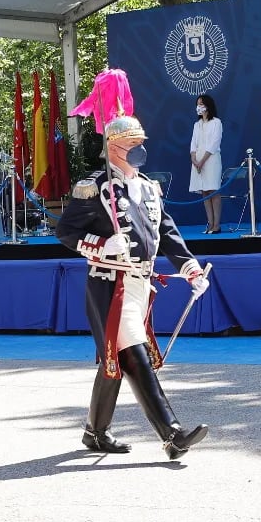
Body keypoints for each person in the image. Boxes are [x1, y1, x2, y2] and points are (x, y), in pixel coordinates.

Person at [57, 92, 210, 459]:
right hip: (110, 284)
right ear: (113, 146)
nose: (140, 148)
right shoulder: (94, 186)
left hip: (140, 283)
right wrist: (99, 244)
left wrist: (189, 268)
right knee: (134, 353)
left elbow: (167, 233)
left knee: (116, 359)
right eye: (132, 143)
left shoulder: (147, 187)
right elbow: (65, 231)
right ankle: (172, 434)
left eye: (141, 142)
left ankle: (95, 432)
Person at [188, 94, 223, 233]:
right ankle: (210, 223)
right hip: (197, 160)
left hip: (211, 159)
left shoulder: (216, 122)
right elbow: (193, 143)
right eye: (197, 104)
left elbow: (215, 143)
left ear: (208, 106)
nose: (199, 107)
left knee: (213, 190)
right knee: (204, 192)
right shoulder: (197, 124)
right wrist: (194, 158)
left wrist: (202, 161)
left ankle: (217, 225)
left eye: (201, 104)